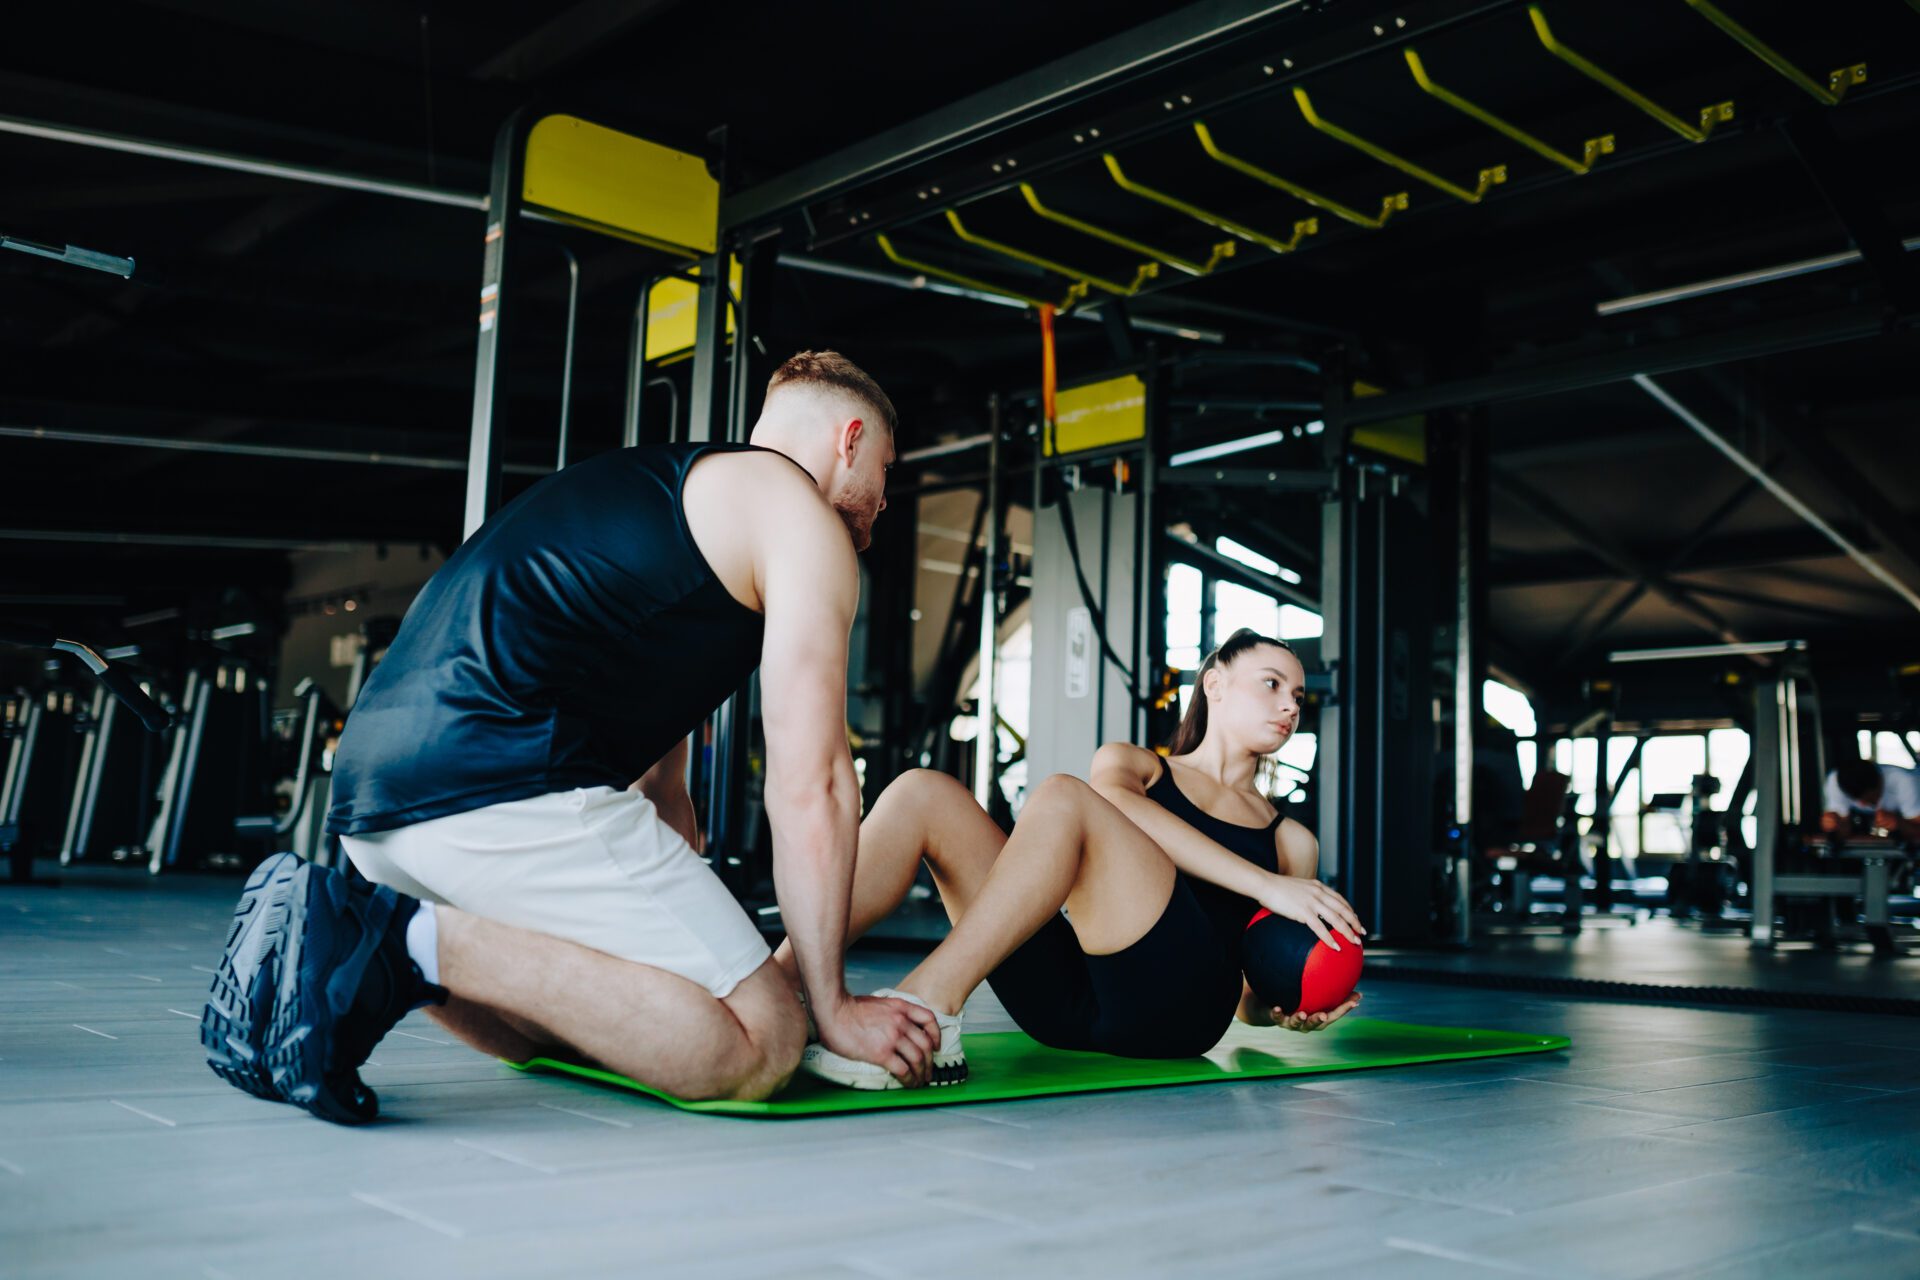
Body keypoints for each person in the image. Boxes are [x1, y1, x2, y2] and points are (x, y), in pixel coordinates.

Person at [202, 351, 943, 1124]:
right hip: (499, 775)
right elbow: (811, 781)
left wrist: (667, 808)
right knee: (765, 1041)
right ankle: (394, 939)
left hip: (372, 809)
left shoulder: (677, 487)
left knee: (559, 1029)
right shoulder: (800, 517)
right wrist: (833, 1005)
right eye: (886, 471)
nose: (884, 503)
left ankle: (378, 929)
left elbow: (636, 664)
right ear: (849, 440)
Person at [792, 628, 1366, 1090]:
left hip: (1177, 1013)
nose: (1289, 705)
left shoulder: (1290, 840)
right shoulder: (1137, 767)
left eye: (1297, 696)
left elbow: (1247, 1001)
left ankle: (927, 1008)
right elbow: (1113, 802)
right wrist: (1265, 885)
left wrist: (1282, 1009)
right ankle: (777, 988)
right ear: (1214, 685)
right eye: (1271, 684)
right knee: (924, 791)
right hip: (1066, 1002)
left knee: (1065, 797)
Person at [1821, 755, 1920, 843]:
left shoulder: (1905, 781)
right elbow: (1843, 829)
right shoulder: (1836, 782)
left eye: (1870, 798)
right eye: (1855, 799)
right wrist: (1834, 825)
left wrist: (1899, 824)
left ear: (1880, 783)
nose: (1862, 805)